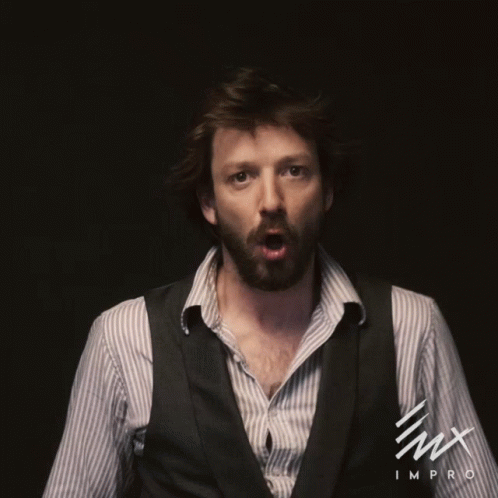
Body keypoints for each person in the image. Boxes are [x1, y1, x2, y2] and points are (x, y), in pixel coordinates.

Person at [43, 67, 498, 498]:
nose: (271, 201)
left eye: (293, 171)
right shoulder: (124, 339)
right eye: (241, 177)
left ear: (327, 190)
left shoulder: (411, 327)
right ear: (209, 202)